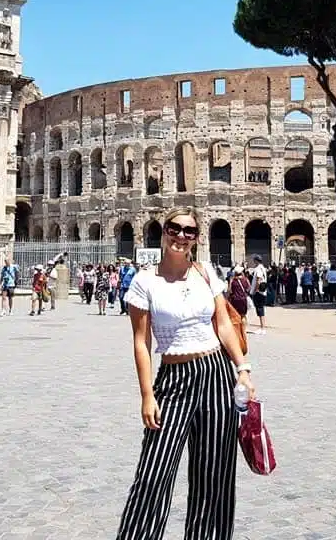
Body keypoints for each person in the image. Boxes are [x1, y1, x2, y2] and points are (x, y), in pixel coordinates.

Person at [116, 207, 255, 539]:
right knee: (153, 473)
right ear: (163, 232)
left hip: (217, 374)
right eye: (174, 228)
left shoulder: (206, 273)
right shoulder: (144, 281)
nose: (181, 236)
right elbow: (141, 342)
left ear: (196, 238)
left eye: (189, 231)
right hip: (174, 378)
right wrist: (147, 395)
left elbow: (223, 325)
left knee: (215, 474)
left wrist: (243, 368)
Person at [248, 255, 268, 335]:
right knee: (260, 309)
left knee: (260, 310)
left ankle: (262, 328)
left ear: (256, 261)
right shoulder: (263, 268)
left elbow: (258, 280)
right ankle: (262, 327)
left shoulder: (258, 269)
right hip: (262, 292)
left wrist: (255, 290)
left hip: (259, 292)